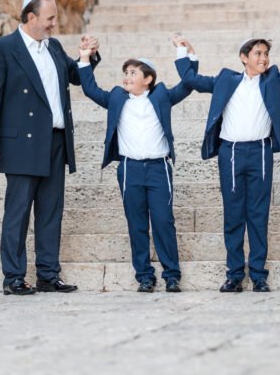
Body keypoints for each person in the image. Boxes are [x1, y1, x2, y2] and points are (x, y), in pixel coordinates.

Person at [174, 7, 280, 292]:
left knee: (258, 215)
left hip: (260, 153)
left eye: (266, 54)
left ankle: (259, 275)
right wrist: (185, 54)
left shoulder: (272, 81)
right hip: (231, 153)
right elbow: (191, 81)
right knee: (234, 215)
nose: (263, 58)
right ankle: (234, 274)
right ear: (243, 58)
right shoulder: (227, 80)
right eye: (257, 54)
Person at [0, 0, 100, 296]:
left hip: (55, 141)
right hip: (21, 144)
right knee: (18, 212)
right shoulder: (3, 48)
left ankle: (47, 273)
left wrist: (86, 57)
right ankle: (14, 277)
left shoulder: (54, 47)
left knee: (51, 211)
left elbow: (75, 76)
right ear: (31, 18)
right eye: (50, 18)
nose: (54, 24)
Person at [77, 49, 198, 292]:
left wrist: (186, 55)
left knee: (163, 221)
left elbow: (187, 86)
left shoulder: (162, 95)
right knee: (137, 222)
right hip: (129, 168)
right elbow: (90, 89)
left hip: (158, 168)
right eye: (125, 73)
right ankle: (144, 275)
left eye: (133, 73)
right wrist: (84, 59)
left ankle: (171, 275)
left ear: (148, 79)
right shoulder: (117, 98)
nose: (127, 77)